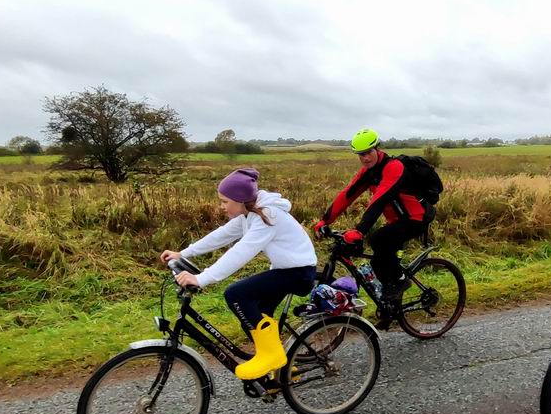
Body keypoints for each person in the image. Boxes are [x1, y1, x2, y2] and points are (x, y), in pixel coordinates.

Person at [160, 167, 317, 381]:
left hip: (298, 273)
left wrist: (201, 278)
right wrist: (183, 253)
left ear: (240, 200)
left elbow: (240, 252)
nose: (221, 206)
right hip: (286, 271)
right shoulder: (249, 213)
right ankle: (285, 371)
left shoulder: (267, 216)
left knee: (236, 294)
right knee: (253, 318)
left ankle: (272, 356)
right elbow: (221, 235)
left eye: (225, 201)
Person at [313, 128, 433, 303]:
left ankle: (400, 281)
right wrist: (325, 220)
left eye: (368, 152)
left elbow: (379, 201)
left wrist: (360, 231)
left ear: (377, 148)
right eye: (361, 154)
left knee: (378, 241)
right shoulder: (368, 172)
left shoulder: (394, 167)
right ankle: (390, 306)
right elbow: (348, 195)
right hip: (396, 221)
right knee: (380, 258)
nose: (365, 158)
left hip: (416, 218)